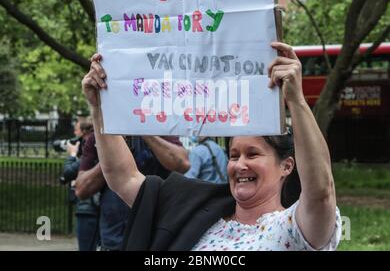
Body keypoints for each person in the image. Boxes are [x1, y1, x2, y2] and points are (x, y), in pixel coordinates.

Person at [82, 42, 342, 251]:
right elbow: (123, 177)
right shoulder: (194, 210)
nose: (240, 164)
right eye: (233, 155)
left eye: (253, 154)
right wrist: (99, 107)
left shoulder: (295, 227)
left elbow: (321, 191)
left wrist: (296, 100)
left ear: (286, 165)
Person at [75, 133, 190, 251]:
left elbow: (183, 164)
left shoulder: (158, 129)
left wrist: (145, 133)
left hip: (156, 239)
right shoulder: (100, 135)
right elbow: (81, 190)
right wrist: (110, 154)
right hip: (113, 240)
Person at [63, 117, 100, 251]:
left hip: (89, 208)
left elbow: (68, 172)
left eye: (76, 130)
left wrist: (72, 155)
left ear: (84, 132)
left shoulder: (91, 149)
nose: (74, 134)